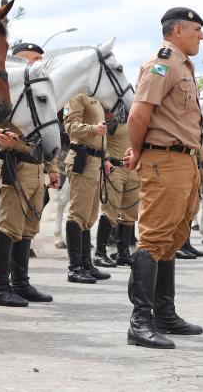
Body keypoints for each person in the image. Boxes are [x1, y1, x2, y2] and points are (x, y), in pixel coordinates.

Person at [123, 6, 203, 349]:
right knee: (154, 237)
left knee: (173, 236)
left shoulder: (183, 66)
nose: (202, 36)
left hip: (185, 161)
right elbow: (139, 113)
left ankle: (164, 314)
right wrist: (139, 150)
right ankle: (140, 322)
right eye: (197, 29)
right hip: (164, 160)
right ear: (177, 31)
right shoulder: (164, 62)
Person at [0, 42, 61, 308]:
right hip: (14, 163)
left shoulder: (36, 88)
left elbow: (45, 129)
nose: (37, 63)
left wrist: (52, 168)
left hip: (36, 166)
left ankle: (21, 283)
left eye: (39, 59)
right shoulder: (5, 91)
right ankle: (1, 287)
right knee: (9, 225)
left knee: (28, 227)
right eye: (32, 59)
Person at [63, 93, 113, 284]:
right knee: (78, 214)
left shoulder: (96, 99)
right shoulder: (76, 96)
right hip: (82, 160)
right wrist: (93, 129)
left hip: (96, 161)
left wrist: (106, 157)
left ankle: (85, 263)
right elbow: (69, 127)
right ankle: (74, 268)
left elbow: (101, 136)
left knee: (90, 215)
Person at [96, 110, 140, 267]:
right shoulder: (110, 113)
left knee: (130, 213)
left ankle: (123, 252)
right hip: (114, 168)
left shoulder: (139, 115)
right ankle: (100, 253)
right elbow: (100, 138)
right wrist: (105, 157)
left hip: (133, 170)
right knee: (110, 210)